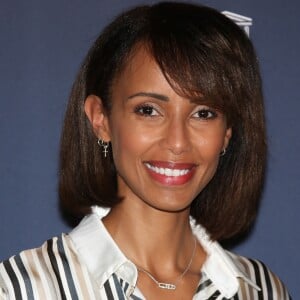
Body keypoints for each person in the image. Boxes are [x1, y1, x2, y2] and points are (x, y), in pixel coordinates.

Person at [0, 2, 291, 299]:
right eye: (149, 110)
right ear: (101, 119)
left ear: (227, 133)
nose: (178, 142)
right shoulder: (23, 288)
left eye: (204, 113)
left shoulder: (262, 290)